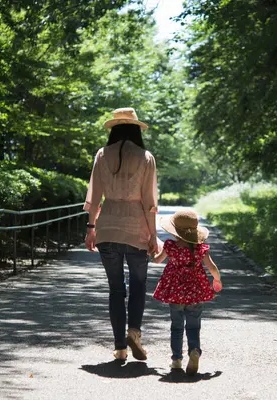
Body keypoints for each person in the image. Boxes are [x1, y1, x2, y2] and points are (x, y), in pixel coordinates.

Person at [84, 107, 159, 362]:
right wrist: (153, 235)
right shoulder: (145, 156)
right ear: (136, 129)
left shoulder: (101, 155)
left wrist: (91, 228)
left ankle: (119, 348)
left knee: (116, 289)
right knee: (138, 285)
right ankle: (134, 333)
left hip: (107, 228)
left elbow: (93, 197)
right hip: (137, 227)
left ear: (114, 128)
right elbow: (150, 201)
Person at [152, 209, 223, 375]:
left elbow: (156, 260)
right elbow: (212, 267)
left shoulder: (171, 247)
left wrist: (152, 251)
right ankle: (194, 351)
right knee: (193, 326)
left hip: (175, 293)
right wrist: (217, 280)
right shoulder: (200, 249)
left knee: (176, 327)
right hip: (195, 293)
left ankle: (176, 359)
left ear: (175, 231)